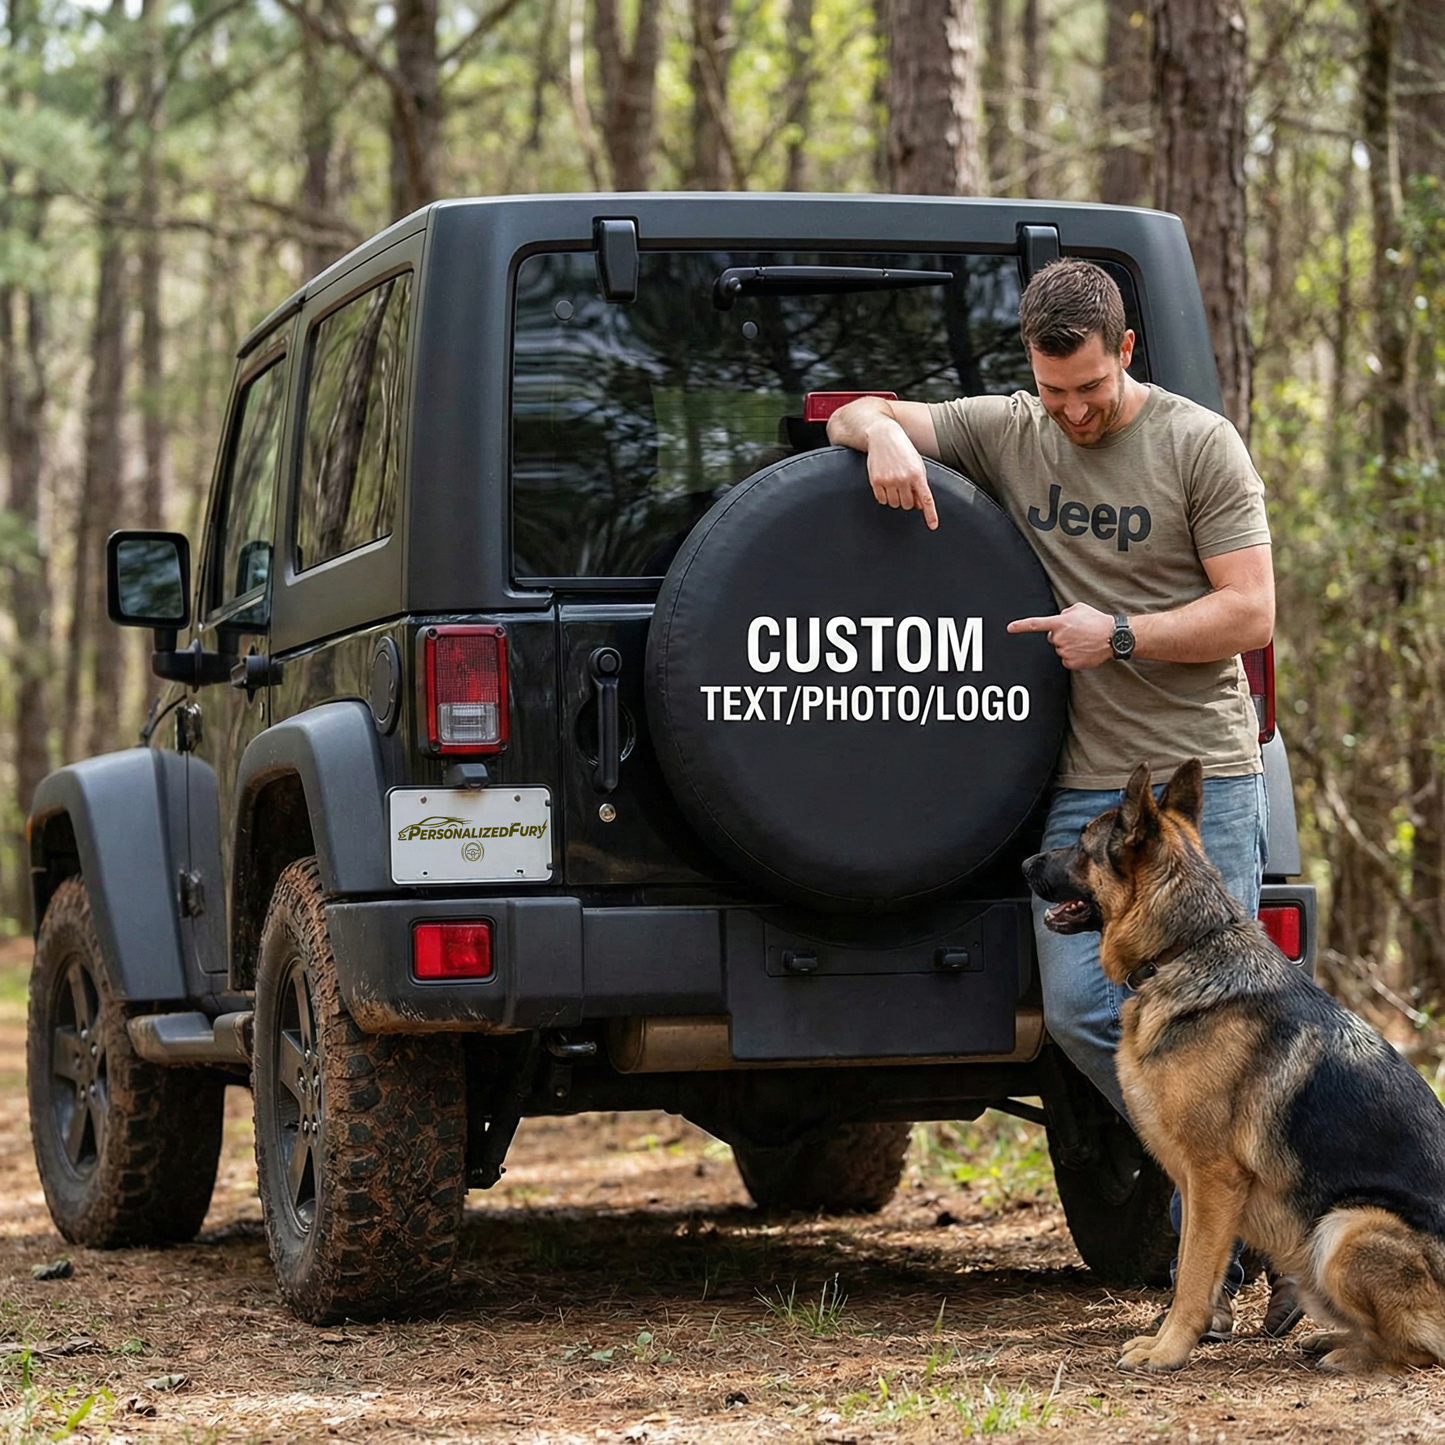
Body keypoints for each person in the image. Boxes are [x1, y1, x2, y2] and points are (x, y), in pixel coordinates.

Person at [826, 257, 1300, 1340]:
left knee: (1236, 1021)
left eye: (1089, 388)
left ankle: (1251, 1246)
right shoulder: (1011, 427)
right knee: (1090, 1007)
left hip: (1194, 777)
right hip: (1088, 778)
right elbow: (852, 409)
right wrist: (887, 435)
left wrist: (1119, 634)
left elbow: (1248, 612)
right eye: (1054, 393)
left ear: (1123, 349)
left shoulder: (1193, 442)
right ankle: (1228, 1221)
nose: (1075, 413)